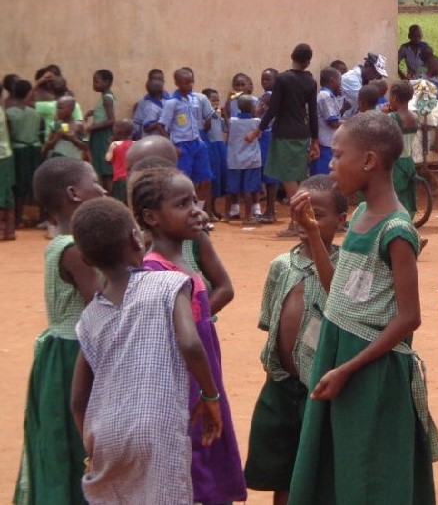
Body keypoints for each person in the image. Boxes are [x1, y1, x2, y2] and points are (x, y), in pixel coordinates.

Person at [289, 111, 438, 504]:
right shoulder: (358, 216)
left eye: (338, 156)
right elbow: (335, 290)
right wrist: (311, 233)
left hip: (371, 370)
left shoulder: (396, 230)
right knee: (342, 463)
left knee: (370, 470)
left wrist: (347, 369)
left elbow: (410, 318)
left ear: (369, 161)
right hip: (339, 356)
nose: (331, 164)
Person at [69, 198, 224, 505]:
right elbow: (191, 344)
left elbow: (77, 399)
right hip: (157, 428)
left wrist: (92, 444)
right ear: (136, 237)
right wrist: (210, 396)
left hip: (105, 434)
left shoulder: (89, 317)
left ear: (86, 260)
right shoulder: (169, 283)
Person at [132, 166, 246, 502]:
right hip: (187, 389)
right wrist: (209, 395)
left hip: (204, 381)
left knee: (207, 458)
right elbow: (184, 340)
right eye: (183, 204)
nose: (196, 209)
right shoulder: (154, 271)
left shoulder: (183, 259)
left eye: (195, 200)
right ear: (151, 217)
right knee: (193, 463)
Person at [244, 175, 346, 504]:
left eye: (316, 214)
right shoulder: (280, 266)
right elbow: (270, 324)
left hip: (322, 386)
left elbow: (339, 304)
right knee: (281, 469)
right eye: (300, 211)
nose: (306, 221)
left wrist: (316, 238)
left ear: (341, 221)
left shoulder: (344, 268)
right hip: (280, 383)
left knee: (320, 466)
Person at [14, 158, 105, 504]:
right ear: (73, 194)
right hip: (75, 354)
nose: (100, 188)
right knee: (74, 439)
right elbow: (102, 303)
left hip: (62, 352)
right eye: (94, 183)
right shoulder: (74, 249)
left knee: (61, 436)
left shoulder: (61, 242)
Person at [251, 44, 320, 238]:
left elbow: (273, 109)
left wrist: (258, 129)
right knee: (299, 176)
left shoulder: (282, 79)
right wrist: (315, 139)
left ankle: (300, 222)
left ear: (292, 56)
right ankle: (297, 221)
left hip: (284, 133)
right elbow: (312, 112)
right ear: (308, 62)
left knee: (289, 178)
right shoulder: (310, 82)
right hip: (302, 133)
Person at [157, 67, 215, 211]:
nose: (189, 86)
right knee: (184, 182)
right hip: (182, 146)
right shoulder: (171, 103)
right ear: (177, 83)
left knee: (205, 180)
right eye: (185, 83)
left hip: (198, 143)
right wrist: (172, 147)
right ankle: (186, 213)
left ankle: (199, 211)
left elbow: (203, 118)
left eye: (191, 82)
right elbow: (161, 126)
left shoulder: (195, 99)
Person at [7, 80, 43, 225]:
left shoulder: (9, 113)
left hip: (18, 150)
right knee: (36, 183)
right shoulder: (35, 113)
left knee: (19, 185)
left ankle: (18, 217)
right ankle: (42, 217)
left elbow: (10, 134)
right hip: (34, 149)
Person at [226, 95, 263, 223]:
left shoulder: (232, 121)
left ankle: (228, 214)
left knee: (232, 189)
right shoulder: (257, 122)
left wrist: (228, 103)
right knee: (248, 190)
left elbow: (226, 125)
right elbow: (260, 135)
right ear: (252, 107)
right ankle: (247, 217)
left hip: (235, 159)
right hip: (252, 160)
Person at [388, 80, 423, 214]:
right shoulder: (414, 117)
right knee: (405, 195)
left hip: (395, 164)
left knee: (392, 194)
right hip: (408, 160)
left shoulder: (392, 117)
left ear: (395, 97)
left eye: (390, 95)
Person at [84, 69, 116, 191]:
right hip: (99, 135)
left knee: (105, 170)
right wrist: (92, 112)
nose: (94, 85)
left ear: (107, 82)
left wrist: (91, 127)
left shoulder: (107, 98)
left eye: (96, 81)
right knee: (101, 168)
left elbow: (111, 120)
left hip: (102, 136)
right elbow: (103, 112)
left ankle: (107, 196)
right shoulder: (105, 97)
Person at [312, 67, 344, 176]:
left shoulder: (330, 96)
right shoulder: (325, 96)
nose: (341, 83)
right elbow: (333, 122)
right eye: (340, 80)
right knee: (322, 180)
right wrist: (351, 124)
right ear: (332, 80)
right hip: (324, 144)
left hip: (328, 143)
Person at [202, 88, 228, 221]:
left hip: (220, 145)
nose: (216, 102)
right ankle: (208, 210)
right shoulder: (204, 115)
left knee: (218, 178)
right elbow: (205, 129)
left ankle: (213, 208)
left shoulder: (218, 115)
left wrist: (224, 115)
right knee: (211, 178)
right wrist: (210, 115)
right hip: (210, 145)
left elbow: (226, 129)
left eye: (217, 100)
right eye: (213, 100)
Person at [340, 52, 386, 118]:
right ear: (367, 65)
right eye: (375, 72)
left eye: (378, 75)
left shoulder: (364, 80)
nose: (375, 77)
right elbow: (366, 102)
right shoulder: (351, 79)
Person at [43, 95, 88, 161]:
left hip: (74, 162)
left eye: (61, 108)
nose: (57, 111)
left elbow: (86, 146)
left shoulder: (79, 126)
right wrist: (57, 137)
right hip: (57, 162)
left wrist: (73, 139)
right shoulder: (55, 125)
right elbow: (46, 147)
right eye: (57, 108)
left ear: (71, 109)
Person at [105, 119, 134, 203]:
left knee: (120, 202)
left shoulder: (114, 145)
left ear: (118, 132)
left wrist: (109, 145)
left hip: (120, 179)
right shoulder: (135, 144)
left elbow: (108, 160)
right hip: (133, 177)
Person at [132, 70, 167, 138]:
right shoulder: (142, 103)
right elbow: (137, 127)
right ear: (148, 81)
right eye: (154, 79)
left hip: (167, 143)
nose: (156, 82)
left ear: (163, 82)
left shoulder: (170, 101)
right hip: (148, 142)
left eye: (159, 79)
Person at [0, 105, 13, 240]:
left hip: (1, 156)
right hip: (5, 154)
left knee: (2, 193)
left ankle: (4, 230)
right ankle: (9, 230)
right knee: (6, 191)